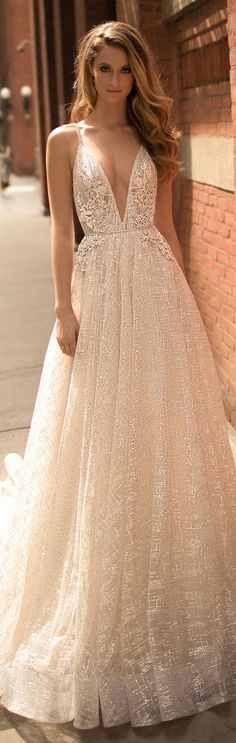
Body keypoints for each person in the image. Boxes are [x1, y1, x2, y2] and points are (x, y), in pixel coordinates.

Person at [0, 19, 236, 732]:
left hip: (155, 298)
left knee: (157, 438)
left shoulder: (153, 141)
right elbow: (59, 231)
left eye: (125, 71)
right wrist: (64, 311)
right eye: (104, 69)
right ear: (87, 71)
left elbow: (164, 230)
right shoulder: (63, 140)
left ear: (137, 76)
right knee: (98, 442)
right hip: (98, 298)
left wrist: (186, 308)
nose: (114, 81)